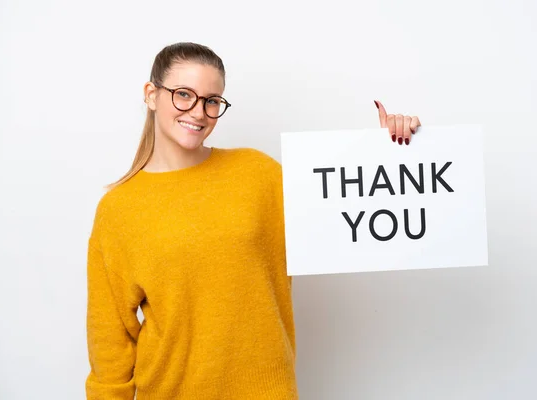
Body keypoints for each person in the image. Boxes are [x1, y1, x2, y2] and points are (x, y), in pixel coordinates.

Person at [85, 42, 422, 400]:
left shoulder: (259, 174)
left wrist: (392, 150)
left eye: (212, 101)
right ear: (152, 95)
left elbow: (348, 208)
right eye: (184, 95)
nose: (198, 112)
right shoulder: (118, 209)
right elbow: (110, 343)